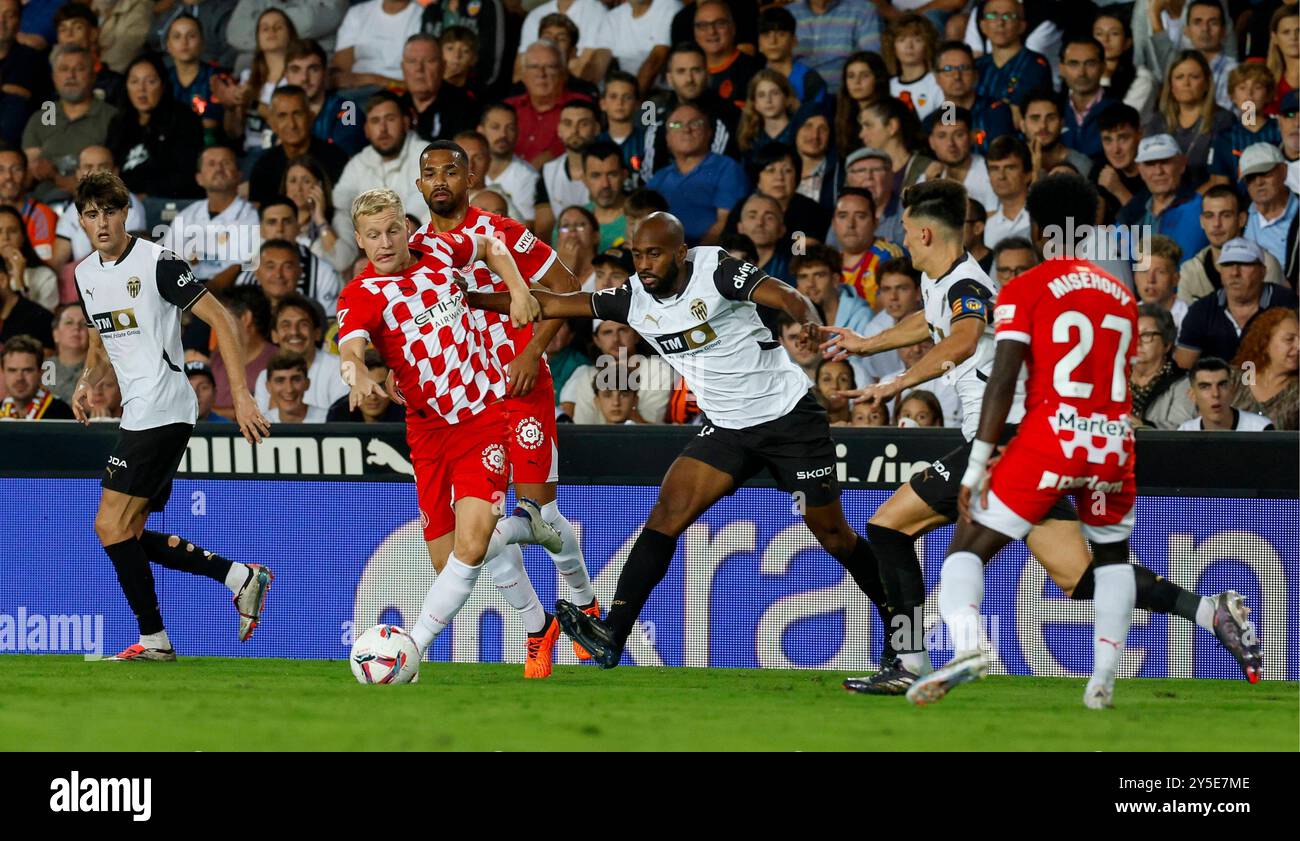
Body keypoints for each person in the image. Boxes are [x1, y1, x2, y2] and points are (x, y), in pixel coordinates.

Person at [824, 177, 1260, 696]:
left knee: (888, 529)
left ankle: (913, 657)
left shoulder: (969, 288)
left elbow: (962, 339)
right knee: (1078, 578)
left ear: (923, 235)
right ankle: (1211, 611)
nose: (898, 241)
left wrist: (898, 380)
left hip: (1006, 439)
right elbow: (932, 322)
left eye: (905, 230)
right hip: (1046, 444)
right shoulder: (948, 284)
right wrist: (869, 344)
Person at [473, 212, 896, 673]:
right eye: (637, 255)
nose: (644, 264)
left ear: (680, 252)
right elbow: (553, 303)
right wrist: (471, 297)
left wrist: (807, 320)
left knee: (833, 536)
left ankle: (899, 630)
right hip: (727, 428)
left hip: (788, 418)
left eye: (654, 254)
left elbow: (787, 295)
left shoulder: (717, 270)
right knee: (666, 514)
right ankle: (613, 632)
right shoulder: (633, 298)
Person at [336, 186, 566, 679]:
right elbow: (351, 349)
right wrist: (359, 377)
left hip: (483, 418)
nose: (385, 242)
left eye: (392, 230)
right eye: (373, 235)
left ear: (406, 226)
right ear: (359, 239)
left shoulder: (439, 250)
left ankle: (409, 651)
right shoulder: (360, 295)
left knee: (472, 542)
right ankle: (538, 623)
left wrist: (520, 290)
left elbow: (491, 246)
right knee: (450, 561)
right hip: (426, 432)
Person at [70, 170, 274, 661]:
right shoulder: (84, 274)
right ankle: (240, 577)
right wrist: (85, 380)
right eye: (91, 214)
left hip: (163, 406)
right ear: (81, 220)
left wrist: (242, 395)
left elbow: (222, 318)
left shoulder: (158, 262)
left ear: (125, 215)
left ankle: (157, 640)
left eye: (110, 212)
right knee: (130, 533)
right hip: (139, 409)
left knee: (108, 525)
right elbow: (103, 339)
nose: (101, 222)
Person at [409, 141, 602, 661]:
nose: (441, 180)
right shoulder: (416, 252)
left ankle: (585, 605)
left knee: (542, 515)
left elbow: (570, 292)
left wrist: (531, 351)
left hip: (520, 391)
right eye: (431, 173)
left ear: (469, 180)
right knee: (476, 535)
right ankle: (537, 625)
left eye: (452, 170)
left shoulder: (504, 234)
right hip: (464, 408)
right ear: (420, 185)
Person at [331, 90, 430, 267]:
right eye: (375, 121)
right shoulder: (359, 162)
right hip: (370, 253)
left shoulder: (425, 154)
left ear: (406, 123)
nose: (383, 129)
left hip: (418, 253)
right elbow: (340, 203)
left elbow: (422, 203)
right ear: (367, 130)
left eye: (390, 119)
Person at [1175, 237, 1299, 367]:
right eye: (1227, 265)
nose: (1234, 272)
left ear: (1263, 271)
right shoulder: (1201, 311)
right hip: (1219, 385)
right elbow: (1183, 368)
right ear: (1221, 272)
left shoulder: (1289, 304)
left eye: (1244, 264)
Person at [646, 102, 749, 245]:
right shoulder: (659, 178)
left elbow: (725, 222)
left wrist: (692, 257)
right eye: (676, 125)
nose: (686, 129)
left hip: (709, 256)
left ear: (709, 132)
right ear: (667, 139)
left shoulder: (727, 168)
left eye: (695, 123)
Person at [160, 146, 258, 282]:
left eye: (226, 163)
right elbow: (170, 264)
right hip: (186, 291)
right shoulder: (186, 216)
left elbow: (240, 267)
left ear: (239, 175)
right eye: (211, 164)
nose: (219, 169)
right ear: (199, 178)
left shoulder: (252, 217)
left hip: (230, 294)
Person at [1179, 184, 1287, 302]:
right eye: (1209, 216)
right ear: (1202, 222)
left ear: (1241, 219)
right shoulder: (1189, 271)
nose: (1216, 224)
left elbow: (1275, 317)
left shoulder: (1266, 264)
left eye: (1226, 215)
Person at [1142, 49, 1235, 185]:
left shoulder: (1223, 120)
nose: (1186, 83)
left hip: (1208, 200)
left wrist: (1186, 205)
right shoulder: (1158, 122)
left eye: (1194, 77)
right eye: (1179, 77)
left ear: (1207, 83)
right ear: (1171, 85)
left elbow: (1221, 179)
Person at [248, 86, 349, 207]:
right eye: (282, 116)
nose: (291, 124)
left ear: (311, 117)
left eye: (297, 114)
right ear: (272, 123)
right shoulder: (264, 166)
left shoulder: (335, 158)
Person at [1117, 134, 1209, 260]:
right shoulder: (1129, 215)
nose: (1158, 171)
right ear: (1140, 170)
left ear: (1182, 164)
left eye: (1165, 162)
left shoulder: (1204, 209)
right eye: (1150, 164)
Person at [252, 293, 346, 412]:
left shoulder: (340, 369)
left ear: (317, 333)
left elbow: (339, 423)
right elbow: (264, 425)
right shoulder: (265, 377)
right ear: (274, 335)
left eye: (303, 324)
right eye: (286, 325)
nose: (294, 332)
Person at [506, 40, 593, 168]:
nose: (542, 74)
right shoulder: (507, 108)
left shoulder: (581, 106)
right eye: (534, 67)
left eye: (550, 67)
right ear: (523, 75)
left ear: (563, 73)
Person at [284, 39, 367, 156]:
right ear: (286, 76)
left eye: (313, 69)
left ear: (325, 73)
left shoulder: (348, 109)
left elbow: (342, 157)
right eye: (296, 70)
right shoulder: (280, 111)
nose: (304, 78)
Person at [1206, 64, 1283, 190]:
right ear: (1232, 96)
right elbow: (1221, 185)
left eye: (1257, 87)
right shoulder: (1225, 138)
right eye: (1242, 88)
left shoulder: (1280, 131)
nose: (1249, 94)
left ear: (1269, 94)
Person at [534, 100, 600, 243]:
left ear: (597, 128)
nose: (575, 130)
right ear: (559, 130)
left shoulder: (609, 167)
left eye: (583, 124)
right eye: (568, 123)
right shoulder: (548, 172)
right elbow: (543, 230)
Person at [932, 40, 1012, 155]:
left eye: (964, 68)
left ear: (975, 74)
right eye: (948, 69)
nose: (957, 76)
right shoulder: (933, 122)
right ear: (936, 77)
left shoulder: (997, 112)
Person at [786, 0, 882, 95]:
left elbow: (872, 61)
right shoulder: (788, 12)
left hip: (843, 95)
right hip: (795, 97)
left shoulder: (863, 10)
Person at [833, 187, 905, 308]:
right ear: (834, 224)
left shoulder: (889, 256)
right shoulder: (828, 263)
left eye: (860, 216)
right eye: (843, 216)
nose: (851, 224)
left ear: (875, 223)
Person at [973, 0, 1051, 108]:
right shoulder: (976, 66)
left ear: (1022, 26)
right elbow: (953, 105)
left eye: (1008, 16)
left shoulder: (1035, 65)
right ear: (982, 26)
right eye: (992, 16)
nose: (1000, 23)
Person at [1231, 308, 1298, 430]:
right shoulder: (1236, 377)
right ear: (1265, 342)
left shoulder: (1296, 391)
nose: (1299, 346)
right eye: (1289, 339)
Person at [919, 106, 998, 211]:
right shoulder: (929, 176)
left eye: (959, 135)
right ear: (931, 142)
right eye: (942, 136)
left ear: (971, 138)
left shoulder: (990, 172)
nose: (951, 143)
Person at [332, 0, 422, 92]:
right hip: (356, 91)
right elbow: (341, 69)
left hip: (398, 92)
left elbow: (420, 89)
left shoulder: (423, 17)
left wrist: (374, 80)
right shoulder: (357, 13)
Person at [1130, 303, 1196, 429]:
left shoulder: (1183, 383)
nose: (1137, 342)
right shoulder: (1114, 378)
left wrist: (1142, 426)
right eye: (1132, 334)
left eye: (1146, 335)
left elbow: (1181, 431)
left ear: (1167, 344)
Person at [478, 102, 540, 227]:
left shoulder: (528, 176)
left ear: (517, 132)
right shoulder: (468, 169)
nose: (503, 135)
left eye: (510, 128)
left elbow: (525, 227)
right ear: (480, 131)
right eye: (495, 127)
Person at [693, 0, 761, 108]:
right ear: (695, 33)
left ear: (733, 28)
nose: (711, 31)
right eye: (703, 26)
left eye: (720, 24)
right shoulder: (690, 73)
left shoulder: (754, 71)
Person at [1058, 34, 1116, 161]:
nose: (1081, 73)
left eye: (1090, 64)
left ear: (1103, 67)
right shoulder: (1052, 110)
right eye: (1073, 64)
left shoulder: (1119, 111)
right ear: (1061, 69)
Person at [1178, 356, 1275, 430]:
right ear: (1192, 395)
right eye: (1205, 387)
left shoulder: (1260, 429)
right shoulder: (1185, 432)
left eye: (1222, 385)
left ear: (1232, 390)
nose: (1215, 394)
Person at [756, 5, 827, 108]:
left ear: (794, 41)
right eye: (766, 35)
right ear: (759, 44)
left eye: (781, 34)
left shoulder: (810, 80)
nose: (773, 41)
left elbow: (819, 121)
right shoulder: (755, 81)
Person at [1241, 143, 1298, 267]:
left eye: (1265, 173)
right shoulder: (1238, 215)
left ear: (1284, 170)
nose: (1259, 182)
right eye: (1251, 177)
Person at [1020, 90, 1095, 179]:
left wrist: (1037, 173)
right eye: (1035, 118)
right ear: (1023, 125)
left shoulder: (1081, 165)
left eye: (1051, 118)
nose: (1043, 126)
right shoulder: (1008, 164)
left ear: (1062, 123)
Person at [886, 12, 943, 121]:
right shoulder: (888, 86)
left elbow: (950, 122)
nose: (909, 46)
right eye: (901, 40)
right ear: (892, 46)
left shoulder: (939, 82)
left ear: (928, 45)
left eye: (917, 40)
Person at [0, 334, 74, 418]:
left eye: (27, 370)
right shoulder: (1, 410)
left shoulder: (61, 413)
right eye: (12, 370)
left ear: (40, 372)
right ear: (3, 372)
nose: (19, 378)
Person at [0, 205, 57, 312]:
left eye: (12, 231)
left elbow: (38, 323)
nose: (5, 237)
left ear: (23, 237)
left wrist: (19, 279)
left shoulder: (45, 276)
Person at [982, 135, 1033, 250]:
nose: (1001, 176)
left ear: (1028, 174)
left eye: (1010, 168)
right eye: (994, 169)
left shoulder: (1043, 217)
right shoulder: (987, 227)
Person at [326, 348, 403, 423]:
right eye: (365, 387)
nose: (373, 397)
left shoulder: (408, 415)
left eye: (381, 387)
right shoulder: (337, 414)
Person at [834, 51, 889, 155]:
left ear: (878, 79)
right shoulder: (839, 114)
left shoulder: (894, 111)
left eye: (864, 76)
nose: (857, 82)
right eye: (851, 76)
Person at [582, 141, 629, 251]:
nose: (605, 184)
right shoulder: (570, 223)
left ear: (624, 175)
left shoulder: (643, 220)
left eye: (612, 174)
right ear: (584, 179)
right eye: (596, 175)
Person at [1134, 235, 1189, 327]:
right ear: (1135, 277)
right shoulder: (1126, 316)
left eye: (1160, 272)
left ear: (1175, 279)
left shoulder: (1190, 319)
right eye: (1144, 271)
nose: (1150, 279)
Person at [262, 350, 327, 422]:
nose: (289, 389)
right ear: (268, 387)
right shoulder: (261, 425)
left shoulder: (328, 420)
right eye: (280, 381)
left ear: (307, 384)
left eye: (296, 380)